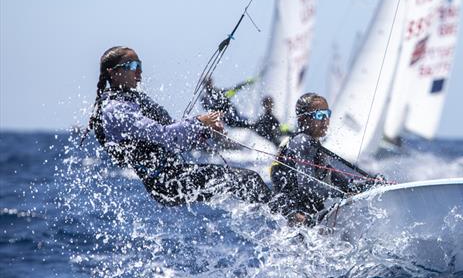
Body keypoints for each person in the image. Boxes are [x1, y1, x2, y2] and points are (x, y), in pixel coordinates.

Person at [88, 46, 271, 206]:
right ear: (112, 73)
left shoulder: (132, 100)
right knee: (249, 180)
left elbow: (175, 136)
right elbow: (164, 135)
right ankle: (289, 218)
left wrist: (205, 131)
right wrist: (199, 121)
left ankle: (283, 218)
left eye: (140, 65)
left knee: (249, 182)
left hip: (175, 174)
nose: (139, 72)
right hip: (166, 183)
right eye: (132, 66)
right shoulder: (116, 109)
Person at [270, 92, 382, 224]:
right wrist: (341, 193)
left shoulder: (315, 146)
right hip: (295, 217)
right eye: (319, 115)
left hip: (311, 213)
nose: (325, 120)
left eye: (327, 114)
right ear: (302, 120)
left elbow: (345, 184)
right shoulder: (302, 142)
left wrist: (372, 183)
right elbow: (307, 185)